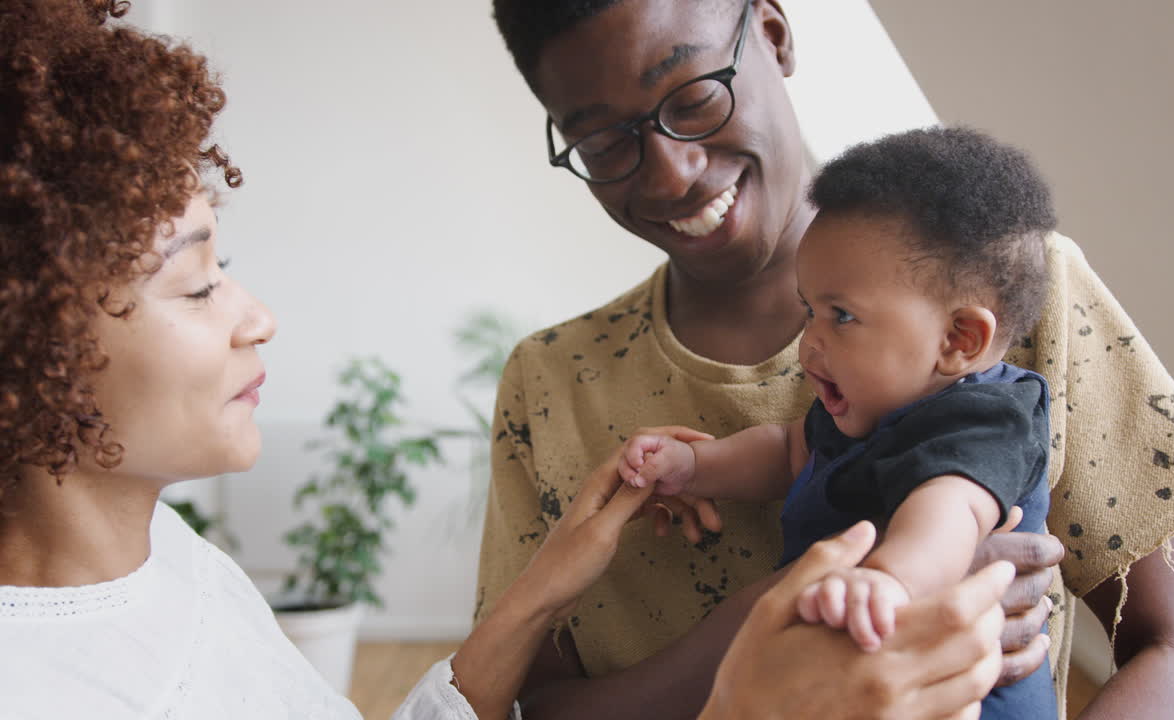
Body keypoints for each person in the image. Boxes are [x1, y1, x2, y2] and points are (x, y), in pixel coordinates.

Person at [0, 2, 1018, 719]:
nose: (257, 318)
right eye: (195, 284)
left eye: (233, 265)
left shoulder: (175, 568)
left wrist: (544, 583)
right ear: (31, 342)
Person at [477, 0, 1174, 717]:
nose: (672, 171)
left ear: (775, 36)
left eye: (693, 98)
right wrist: (769, 624)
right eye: (606, 142)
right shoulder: (551, 384)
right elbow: (524, 708)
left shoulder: (1007, 284)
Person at [619, 126, 1059, 719]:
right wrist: (697, 465)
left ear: (958, 339)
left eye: (842, 316)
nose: (810, 344)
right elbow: (786, 451)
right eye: (810, 311)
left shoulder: (985, 421)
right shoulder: (865, 406)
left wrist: (889, 581)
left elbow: (950, 516)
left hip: (960, 697)